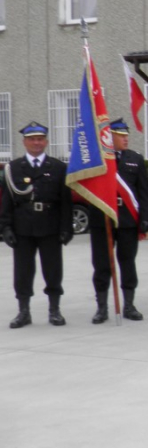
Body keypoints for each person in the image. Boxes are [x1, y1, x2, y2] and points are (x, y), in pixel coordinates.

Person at [1, 122, 72, 328]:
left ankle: (54, 310)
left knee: (53, 269)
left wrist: (66, 228)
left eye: (40, 139)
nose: (36, 143)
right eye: (32, 139)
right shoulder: (13, 168)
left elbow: (65, 202)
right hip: (22, 227)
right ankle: (24, 311)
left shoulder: (58, 167)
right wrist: (5, 227)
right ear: (24, 142)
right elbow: (7, 201)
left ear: (46, 142)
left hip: (50, 225)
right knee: (23, 271)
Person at [88, 119, 148, 323]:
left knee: (127, 262)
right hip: (103, 219)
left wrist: (145, 218)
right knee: (102, 264)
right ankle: (102, 307)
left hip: (127, 219)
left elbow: (143, 192)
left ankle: (129, 305)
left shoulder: (135, 159)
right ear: (110, 137)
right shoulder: (98, 159)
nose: (125, 139)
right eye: (121, 136)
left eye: (126, 135)